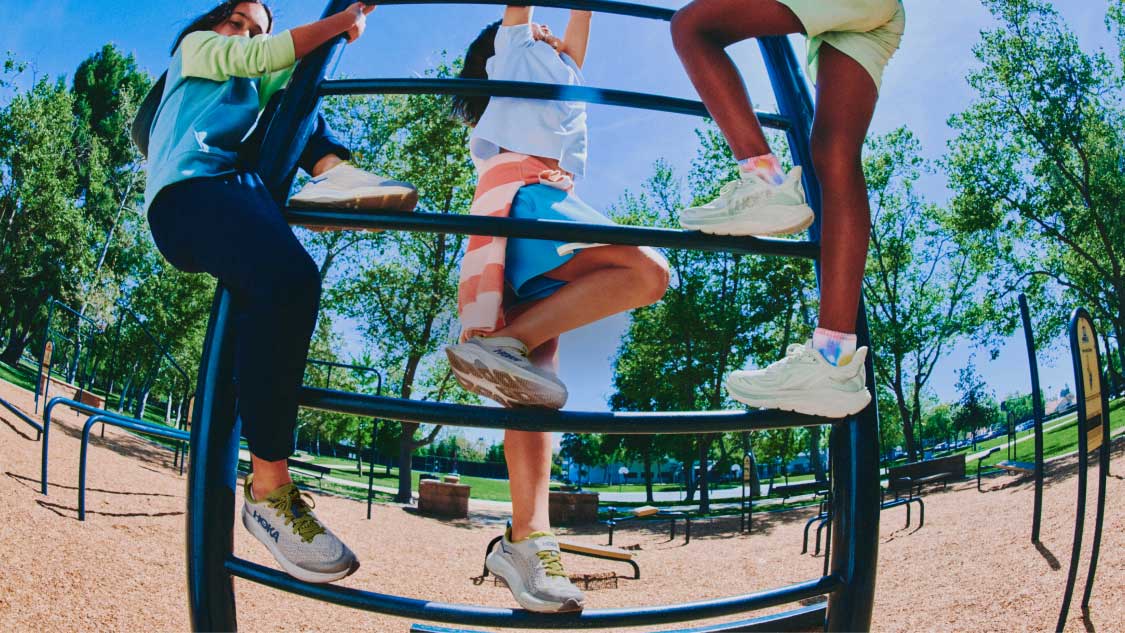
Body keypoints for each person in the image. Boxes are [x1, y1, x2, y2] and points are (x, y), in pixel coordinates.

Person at [142, 0, 413, 584]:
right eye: (235, 20)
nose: (243, 31)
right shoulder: (197, 53)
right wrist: (341, 23)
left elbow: (286, 70)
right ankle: (268, 486)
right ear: (211, 25)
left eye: (255, 25)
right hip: (188, 196)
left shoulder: (247, 86)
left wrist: (331, 44)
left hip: (233, 190)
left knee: (298, 103)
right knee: (290, 280)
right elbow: (267, 53)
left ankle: (335, 174)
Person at [445, 6, 669, 612]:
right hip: (526, 195)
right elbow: (524, 15)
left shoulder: (561, 65)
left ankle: (528, 539)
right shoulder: (514, 46)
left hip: (551, 199)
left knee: (534, 389)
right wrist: (527, 25)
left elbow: (578, 31)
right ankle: (501, 344)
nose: (552, 35)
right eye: (538, 26)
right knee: (646, 271)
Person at [670, 0, 905, 418]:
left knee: (692, 28)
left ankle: (766, 182)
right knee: (834, 154)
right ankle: (833, 362)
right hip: (874, 16)